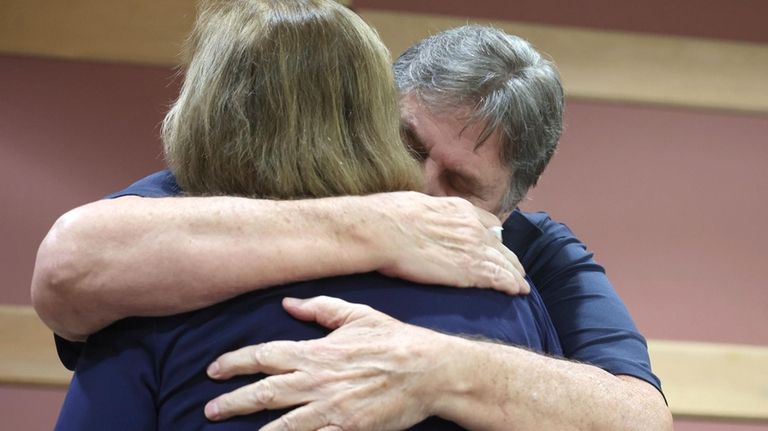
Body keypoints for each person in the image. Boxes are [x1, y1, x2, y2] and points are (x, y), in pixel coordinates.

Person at [32, 11, 673, 431]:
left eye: (462, 186)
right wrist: (377, 227)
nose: (422, 190)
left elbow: (641, 420)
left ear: (512, 202)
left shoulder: (531, 261)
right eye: (411, 146)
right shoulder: (218, 198)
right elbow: (71, 266)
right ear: (369, 115)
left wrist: (437, 368)